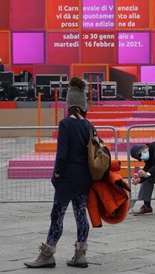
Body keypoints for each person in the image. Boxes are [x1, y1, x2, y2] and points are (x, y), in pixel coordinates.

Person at [24, 77, 92, 269]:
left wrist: (57, 175)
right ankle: (80, 254)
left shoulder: (65, 124)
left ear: (69, 103)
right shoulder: (88, 125)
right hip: (84, 176)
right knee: (81, 215)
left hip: (67, 177)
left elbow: (61, 155)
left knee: (57, 215)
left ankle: (47, 254)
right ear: (83, 104)